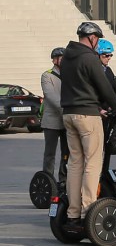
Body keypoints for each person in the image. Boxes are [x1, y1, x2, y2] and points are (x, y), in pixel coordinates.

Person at [59, 22, 116, 233]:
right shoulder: (89, 58)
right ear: (92, 38)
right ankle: (89, 211)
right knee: (93, 163)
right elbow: (104, 87)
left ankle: (72, 214)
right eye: (97, 39)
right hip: (88, 116)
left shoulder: (67, 56)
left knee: (75, 163)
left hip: (69, 114)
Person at [40, 47, 68, 183]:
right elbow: (51, 96)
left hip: (66, 120)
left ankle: (63, 179)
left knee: (66, 153)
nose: (63, 60)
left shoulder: (69, 74)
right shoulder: (47, 75)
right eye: (60, 58)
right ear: (54, 59)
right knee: (50, 153)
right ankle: (48, 180)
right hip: (52, 120)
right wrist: (66, 109)